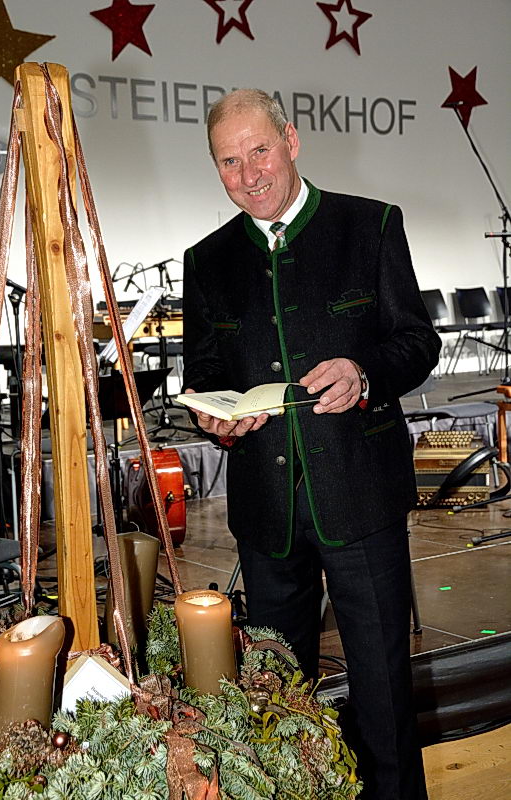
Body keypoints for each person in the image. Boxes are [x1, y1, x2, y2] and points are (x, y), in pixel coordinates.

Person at [182, 88, 441, 800]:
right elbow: (203, 372)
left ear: (291, 141)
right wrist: (213, 416)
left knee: (384, 698)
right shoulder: (206, 261)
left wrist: (364, 372)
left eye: (259, 151)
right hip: (265, 514)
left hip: (361, 498)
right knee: (277, 705)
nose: (248, 175)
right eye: (228, 162)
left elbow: (417, 342)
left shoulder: (371, 226)